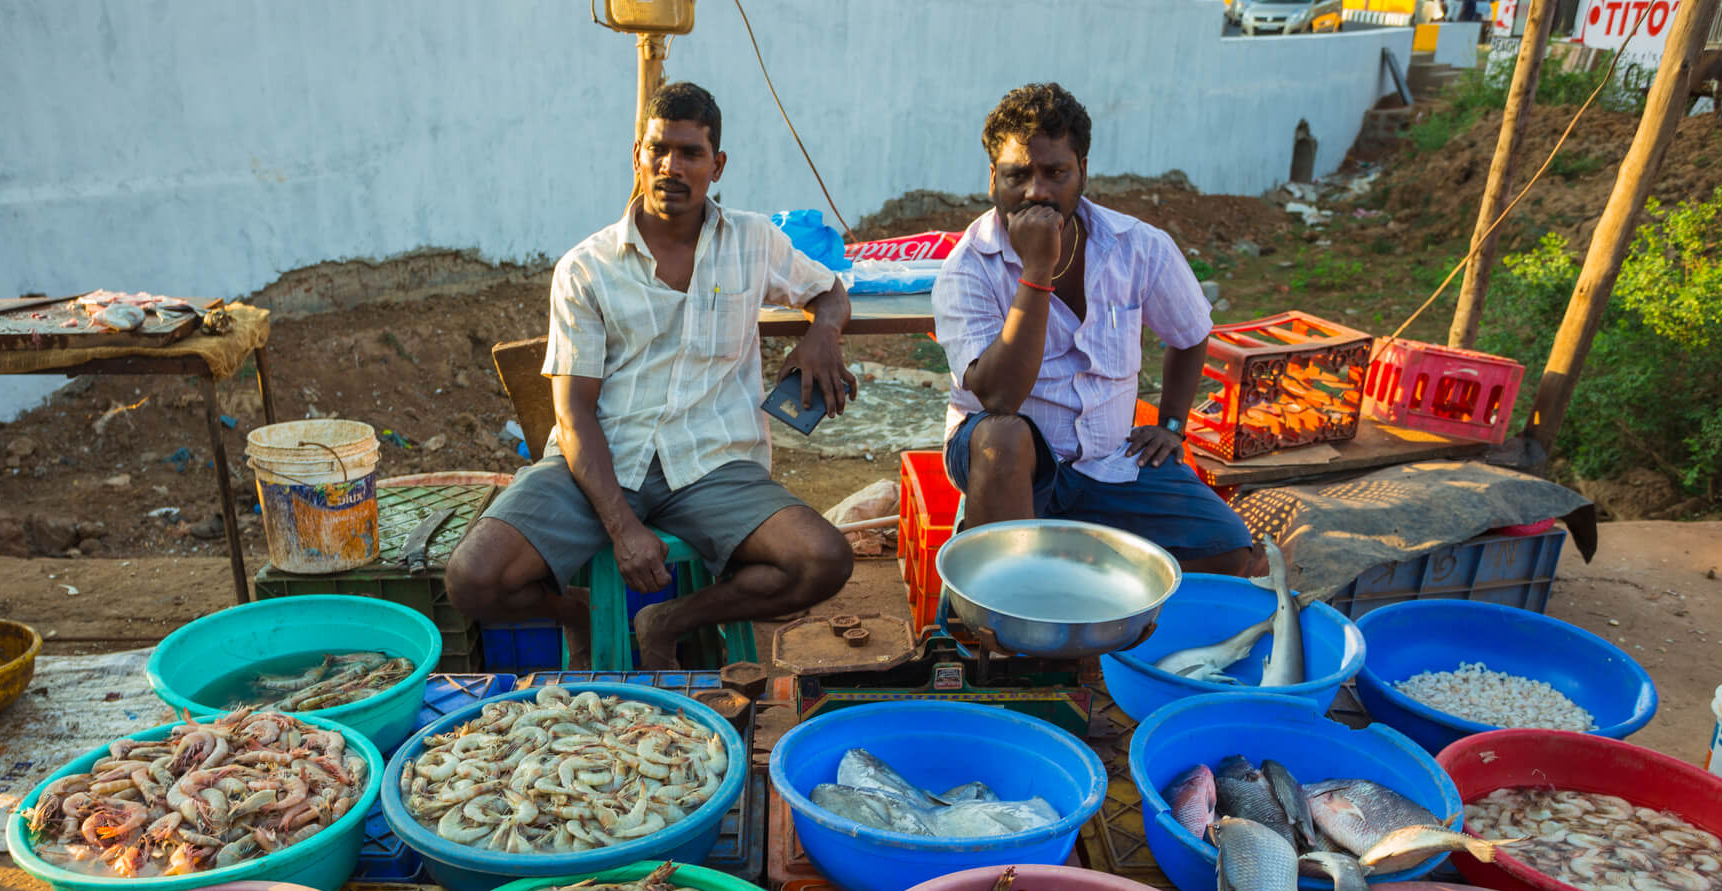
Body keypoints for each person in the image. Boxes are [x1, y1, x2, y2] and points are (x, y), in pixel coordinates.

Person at [445, 82, 857, 668]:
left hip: (713, 464)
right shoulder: (586, 268)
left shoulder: (753, 239)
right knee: (472, 578)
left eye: (690, 153)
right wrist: (621, 526)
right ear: (636, 155)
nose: (671, 167)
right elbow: (574, 413)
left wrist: (822, 333)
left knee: (824, 559)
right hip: (603, 462)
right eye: (658, 149)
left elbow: (831, 289)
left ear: (717, 165)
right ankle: (581, 614)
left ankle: (666, 621)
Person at [932, 83, 1258, 575]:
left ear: (1083, 170)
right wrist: (1037, 271)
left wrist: (1172, 425)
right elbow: (999, 397)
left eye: (1055, 173)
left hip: (1108, 461)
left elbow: (1190, 333)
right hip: (1004, 459)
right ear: (993, 178)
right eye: (1017, 174)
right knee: (1004, 436)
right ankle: (1004, 608)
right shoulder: (968, 267)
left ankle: (1109, 607)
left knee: (1233, 554)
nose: (1036, 191)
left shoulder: (1138, 246)